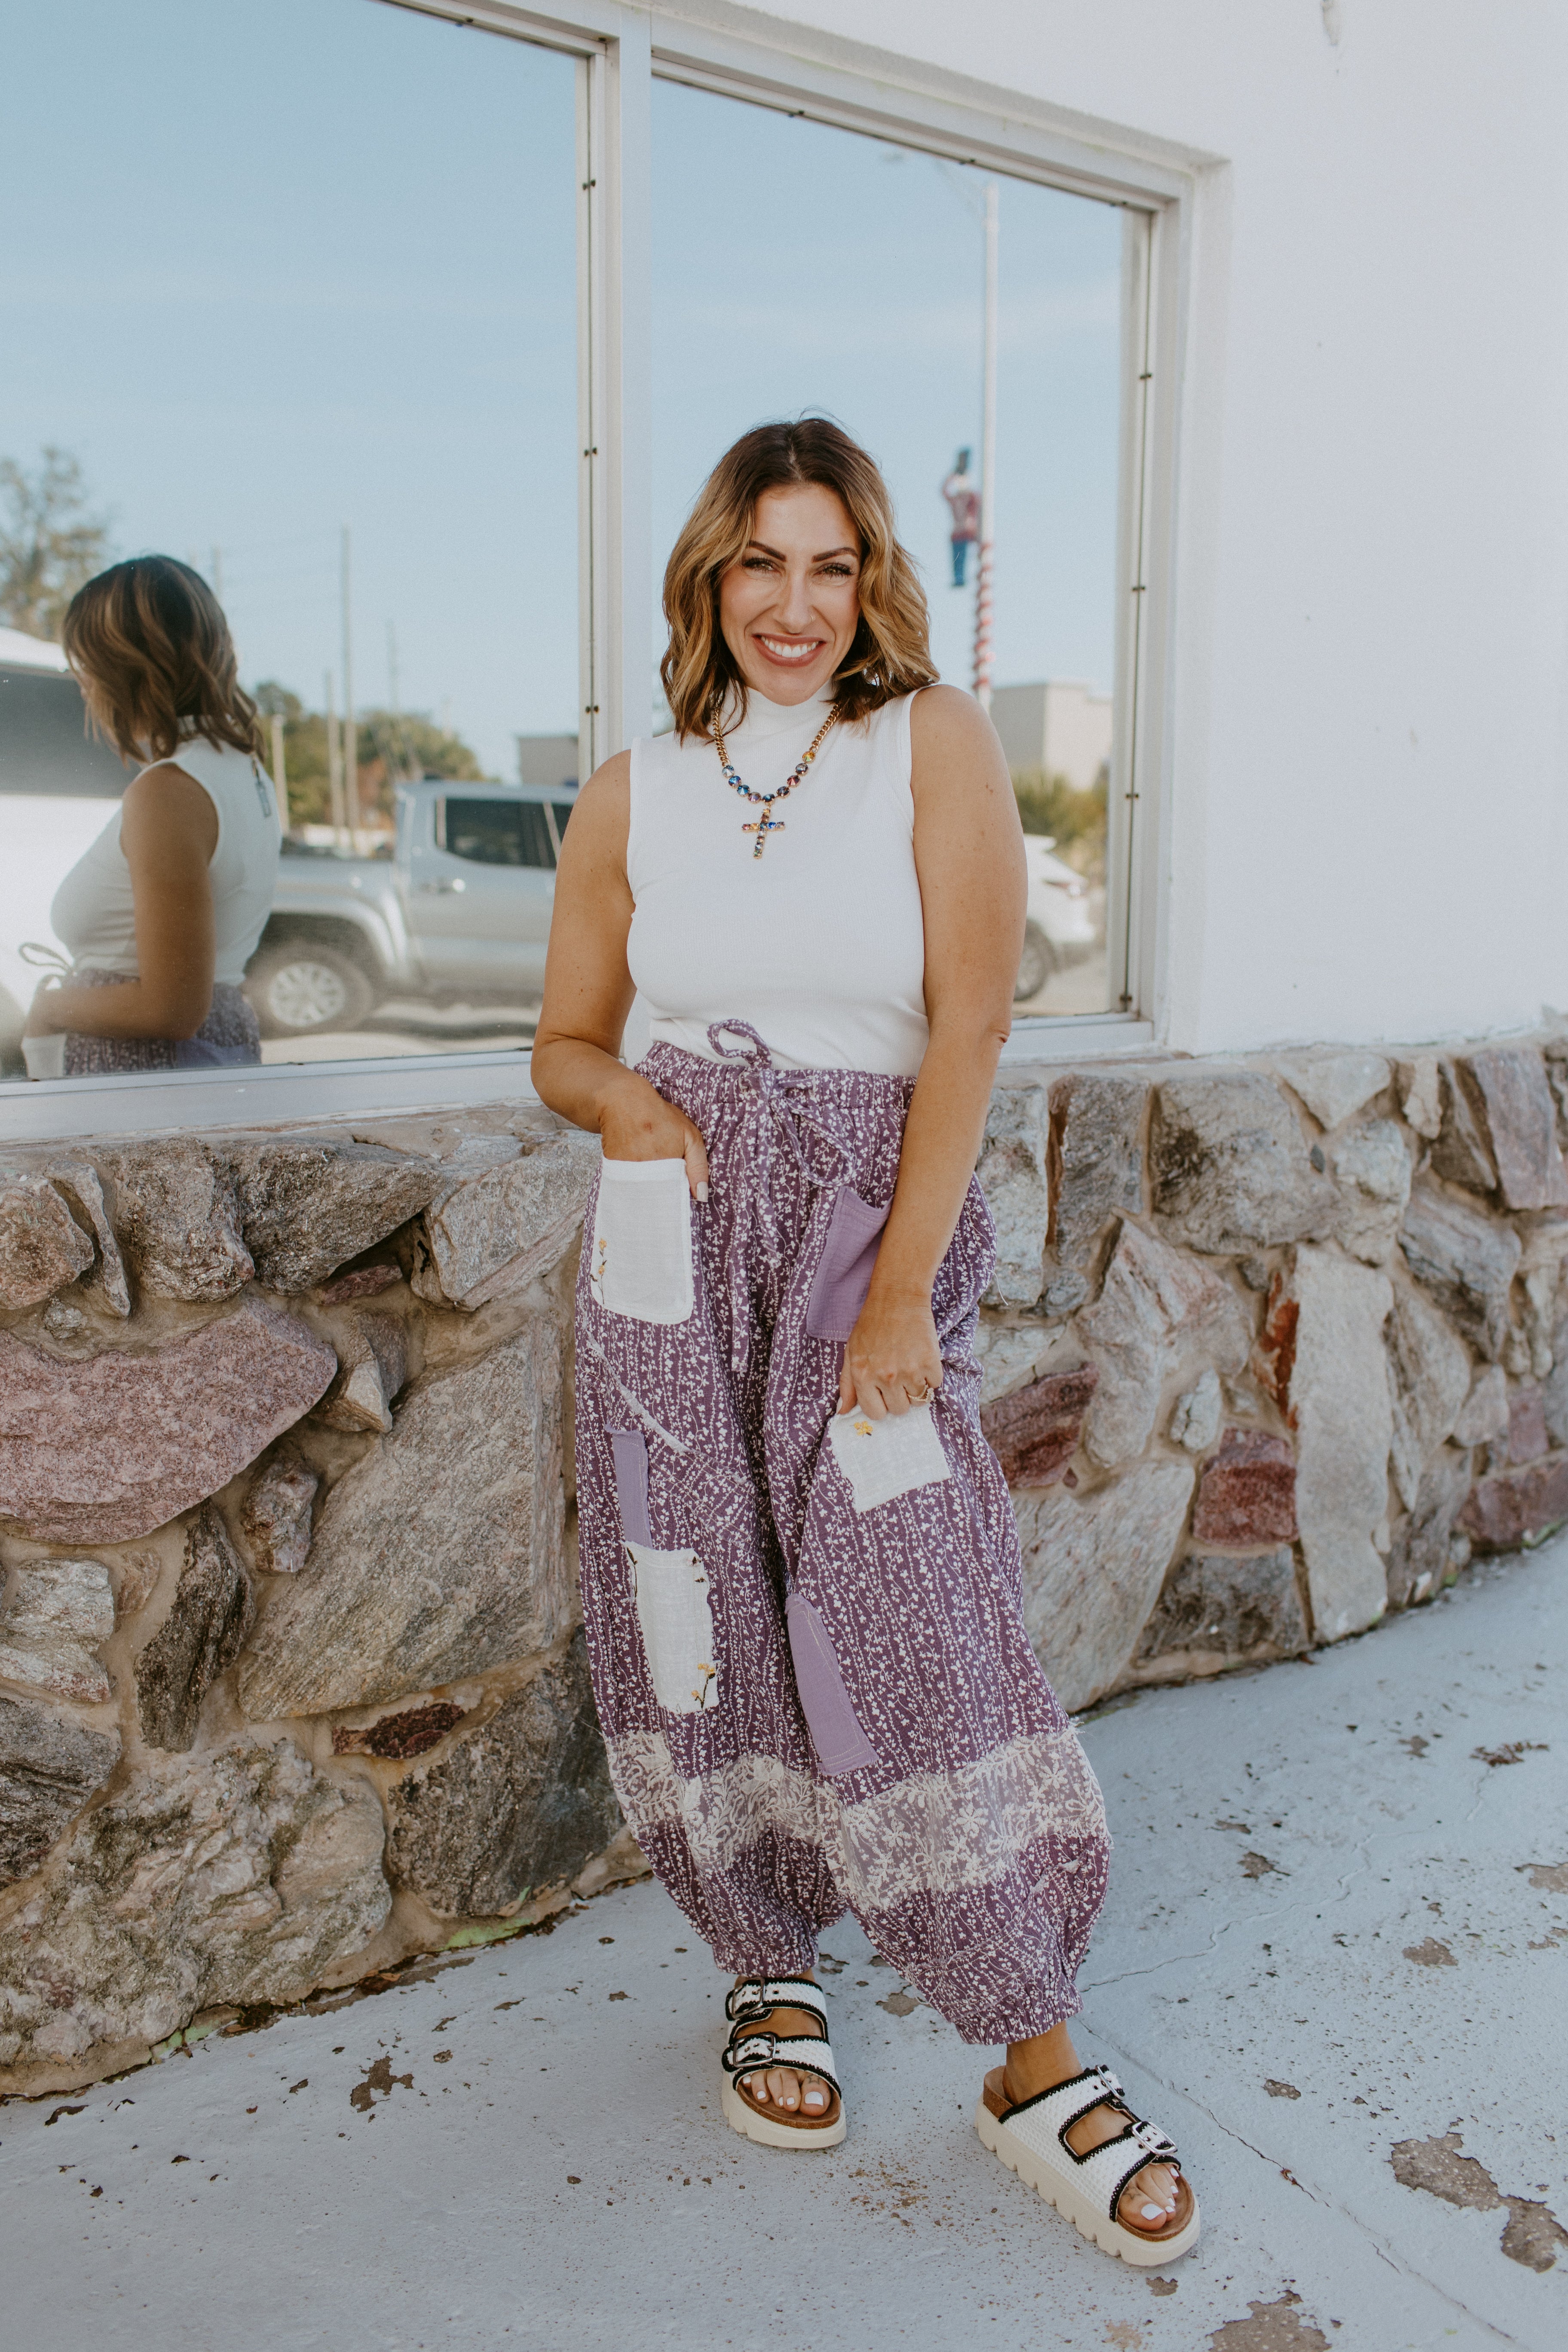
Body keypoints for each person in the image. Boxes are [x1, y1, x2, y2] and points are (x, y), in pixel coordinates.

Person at [530, 419, 1197, 2264]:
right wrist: (635, 1111)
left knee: (917, 1605)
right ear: (709, 577)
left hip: (861, 1239)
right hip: (675, 1242)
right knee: (698, 1614)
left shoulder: (931, 743)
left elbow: (968, 1025)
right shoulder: (629, 788)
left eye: (830, 566)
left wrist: (901, 1290)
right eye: (760, 564)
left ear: (873, 578)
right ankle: (764, 1962)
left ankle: (1025, 2042)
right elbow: (564, 1042)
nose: (794, 604)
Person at [22, 555, 280, 1078]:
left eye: (86, 661)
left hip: (138, 1074)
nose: (81, 682)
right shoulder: (242, 768)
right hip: (189, 1061)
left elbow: (172, 1009)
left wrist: (52, 1007)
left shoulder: (170, 791)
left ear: (124, 666)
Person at [941, 446, 981, 587]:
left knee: (967, 555)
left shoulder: (971, 497)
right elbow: (944, 491)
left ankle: (973, 574)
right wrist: (954, 472)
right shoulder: (956, 498)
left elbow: (980, 505)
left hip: (968, 530)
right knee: (958, 558)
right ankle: (959, 578)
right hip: (958, 532)